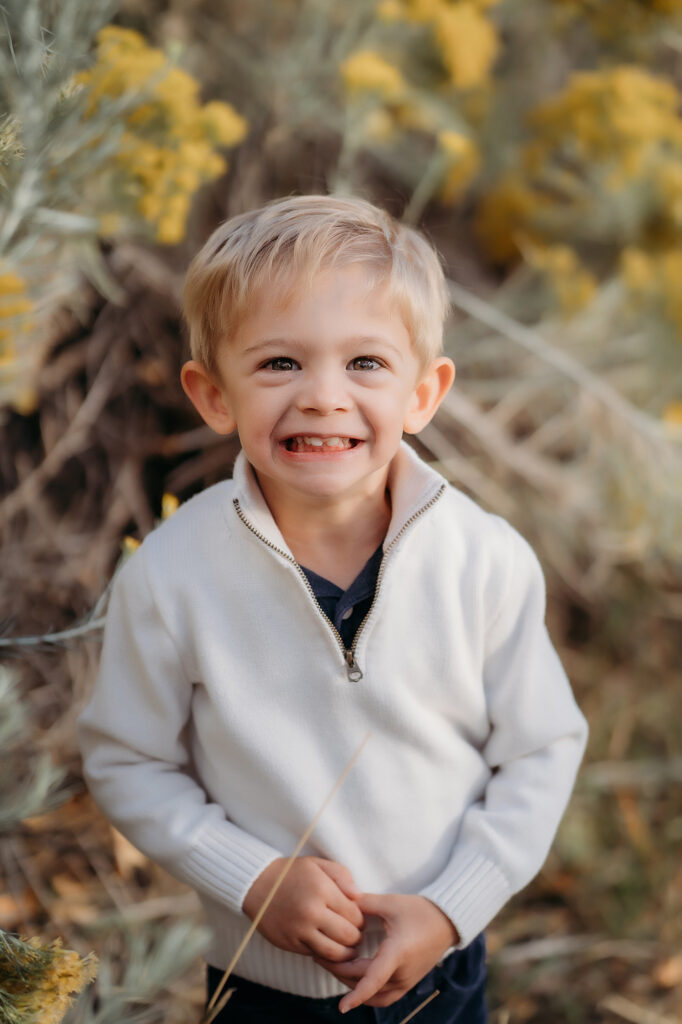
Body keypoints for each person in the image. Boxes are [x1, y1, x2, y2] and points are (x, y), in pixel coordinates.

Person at [78, 194, 589, 1023]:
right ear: (214, 396)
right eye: (280, 363)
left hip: (440, 964)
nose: (322, 396)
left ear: (424, 393)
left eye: (366, 364)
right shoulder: (174, 575)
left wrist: (453, 907)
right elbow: (128, 761)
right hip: (264, 981)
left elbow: (542, 750)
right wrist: (249, 876)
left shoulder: (483, 559)